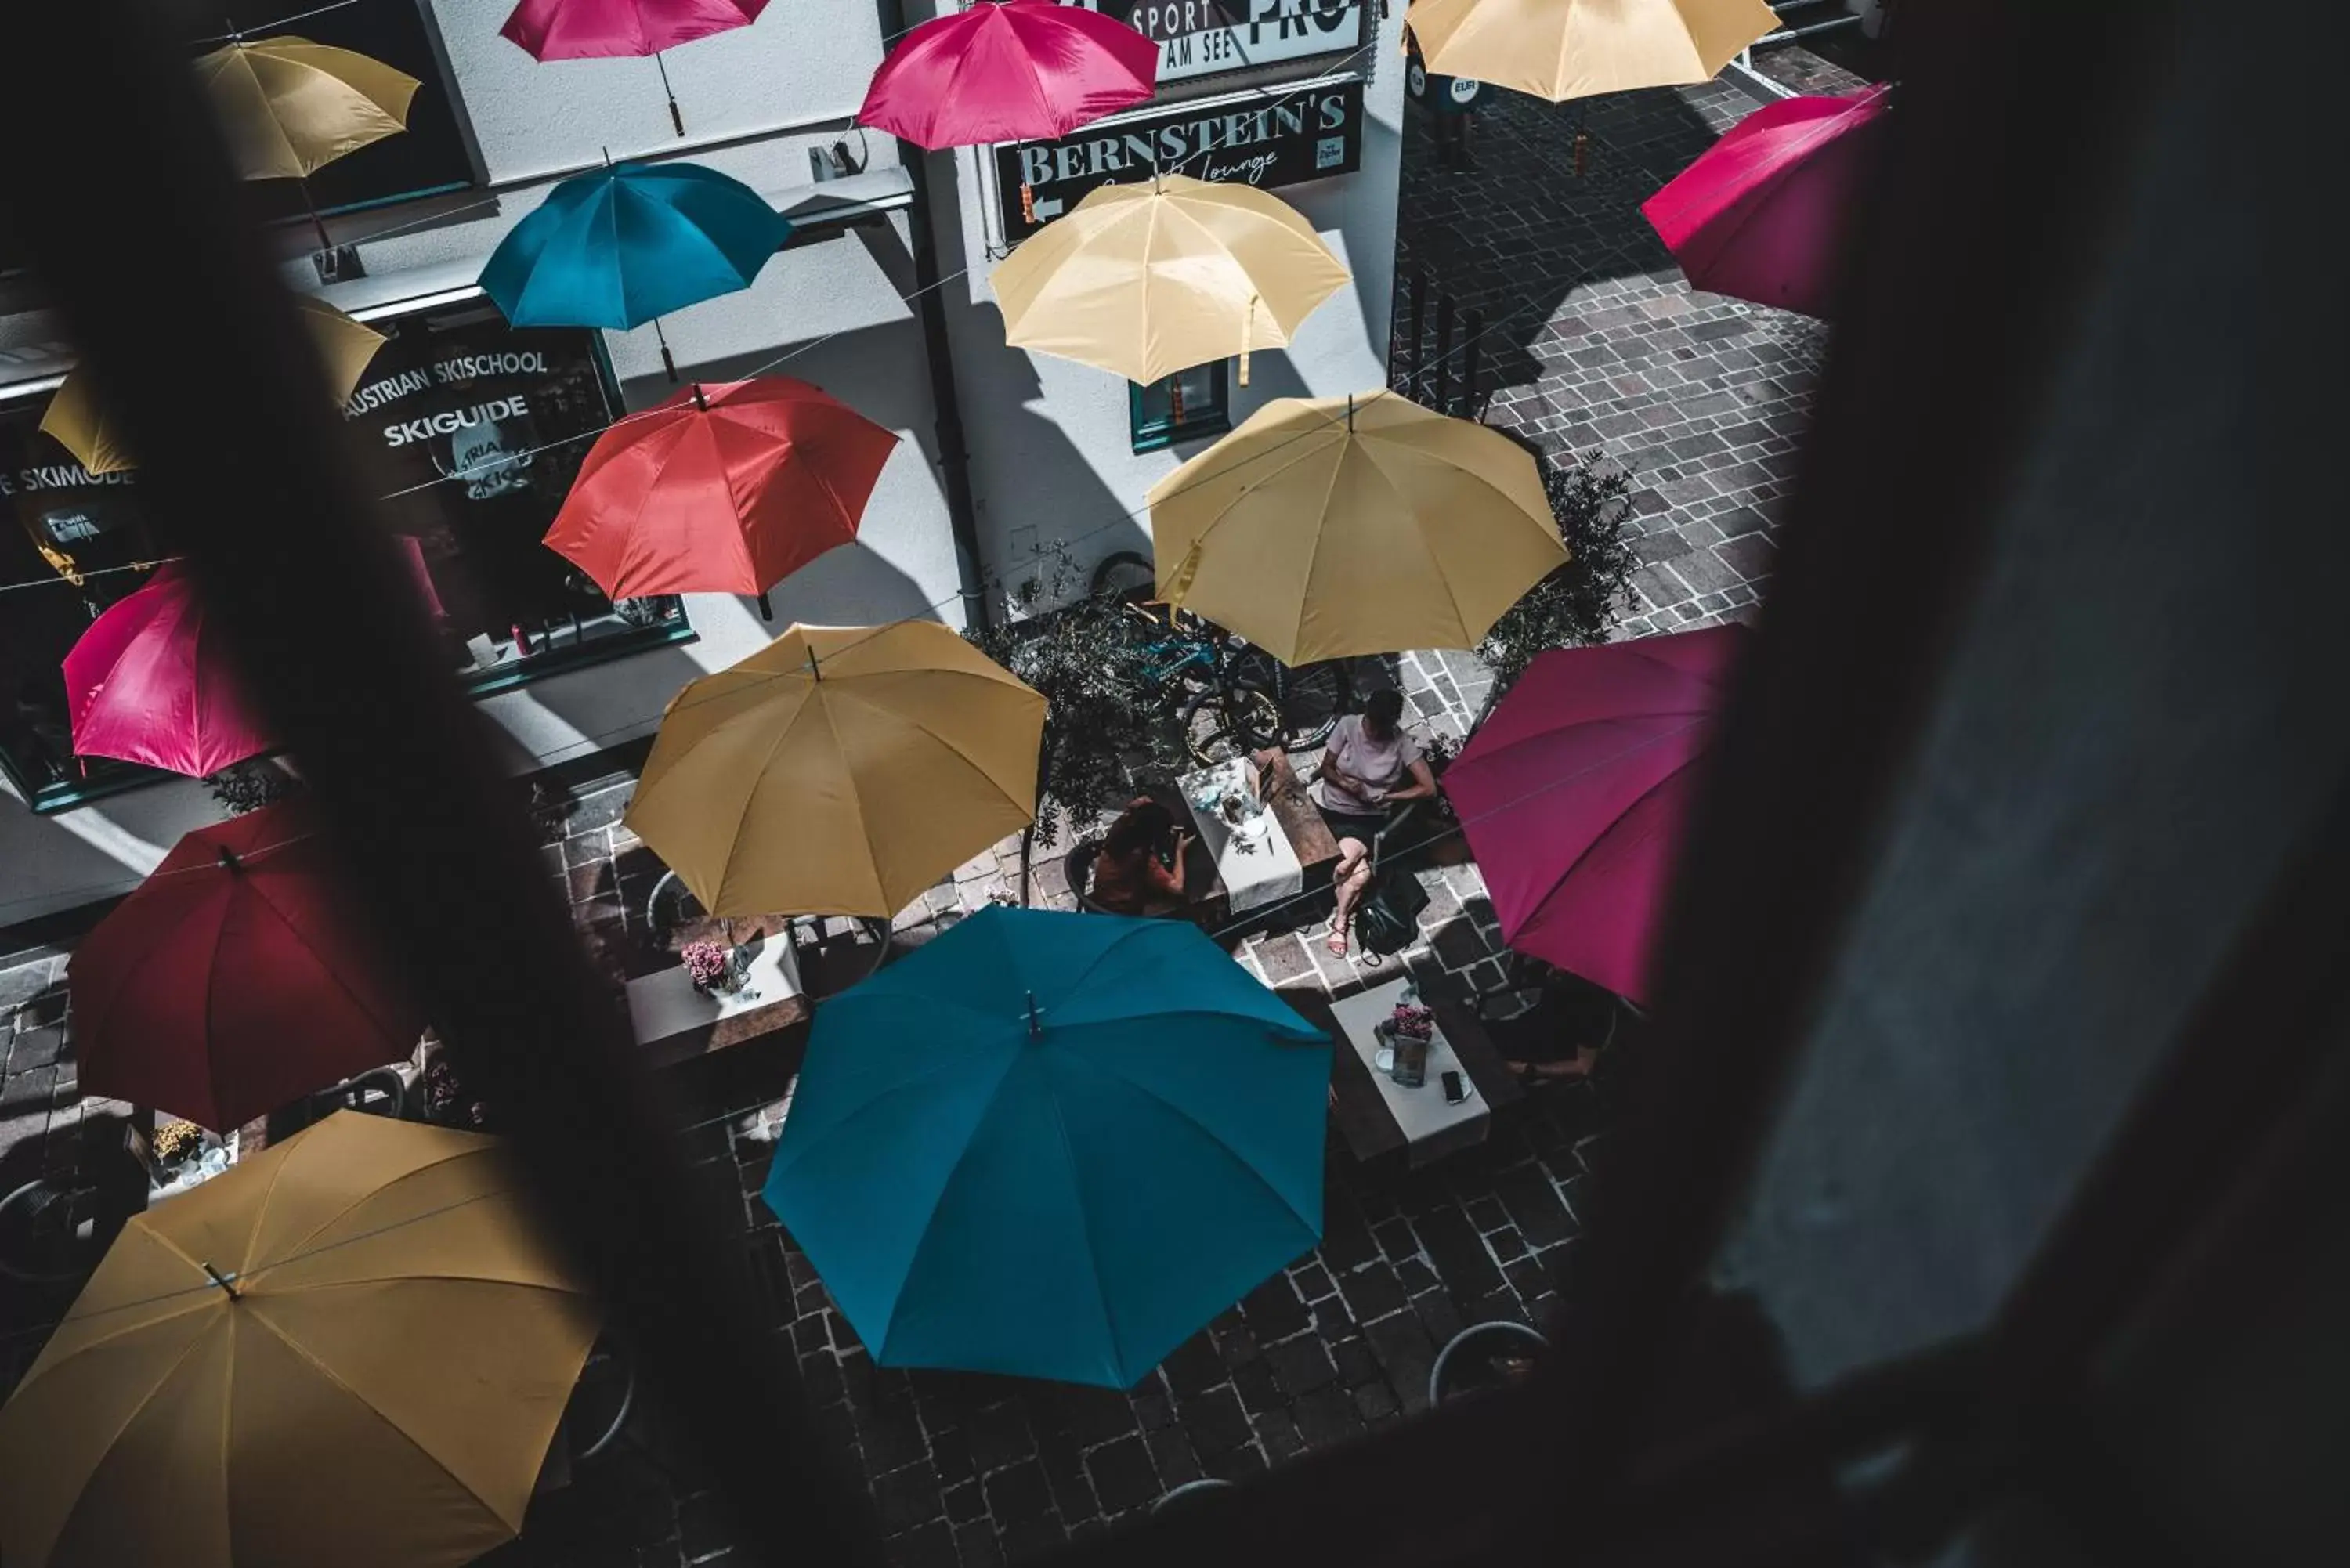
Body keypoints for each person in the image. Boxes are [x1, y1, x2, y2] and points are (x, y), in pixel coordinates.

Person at [1314, 689, 1438, 957]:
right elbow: (1326, 768)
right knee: (1361, 875)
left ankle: (1340, 920)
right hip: (1333, 808)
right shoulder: (1348, 725)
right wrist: (1346, 782)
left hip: (1366, 819)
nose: (1372, 732)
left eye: (1380, 727)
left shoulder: (1401, 743)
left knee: (1352, 868)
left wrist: (1389, 796)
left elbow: (1429, 788)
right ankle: (1340, 919)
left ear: (1391, 723)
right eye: (1371, 723)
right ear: (1366, 714)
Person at [1087, 798, 1191, 916]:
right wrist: (1179, 850)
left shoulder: (1121, 826)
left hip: (1105, 892)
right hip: (1120, 909)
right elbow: (1177, 887)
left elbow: (1142, 800)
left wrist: (1156, 817)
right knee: (1180, 902)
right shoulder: (1141, 858)